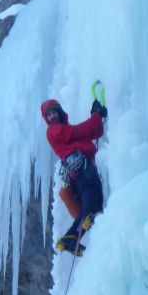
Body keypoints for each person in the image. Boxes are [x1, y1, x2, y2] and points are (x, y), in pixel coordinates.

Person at [41, 96, 107, 253]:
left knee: (91, 207)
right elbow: (79, 131)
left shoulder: (62, 130)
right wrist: (96, 117)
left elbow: (84, 134)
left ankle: (71, 238)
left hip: (79, 168)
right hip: (82, 167)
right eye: (49, 115)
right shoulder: (54, 130)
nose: (52, 117)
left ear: (59, 112)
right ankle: (70, 237)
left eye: (54, 113)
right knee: (92, 198)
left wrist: (96, 119)